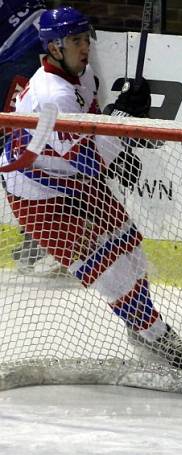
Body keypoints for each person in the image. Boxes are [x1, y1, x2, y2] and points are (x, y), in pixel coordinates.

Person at [0, 6, 182, 370]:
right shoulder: (50, 94)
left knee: (130, 251)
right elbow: (87, 158)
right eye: (75, 41)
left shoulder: (83, 76)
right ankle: (154, 333)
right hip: (38, 193)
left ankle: (140, 325)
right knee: (108, 271)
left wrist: (119, 123)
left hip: (72, 177)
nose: (84, 47)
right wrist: (122, 123)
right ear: (54, 47)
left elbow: (91, 128)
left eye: (85, 38)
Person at [0, 1, 56, 274]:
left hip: (19, 53)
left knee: (15, 151)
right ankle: (39, 232)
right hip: (21, 49)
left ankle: (41, 233)